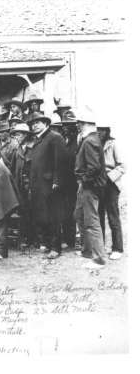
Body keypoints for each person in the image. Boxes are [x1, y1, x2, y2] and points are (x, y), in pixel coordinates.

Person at [28, 112, 67, 260]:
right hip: (39, 185)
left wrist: (57, 181)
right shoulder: (38, 139)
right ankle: (49, 244)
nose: (35, 125)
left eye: (38, 122)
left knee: (53, 217)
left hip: (51, 185)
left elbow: (60, 162)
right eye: (33, 123)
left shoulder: (54, 137)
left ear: (46, 123)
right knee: (44, 216)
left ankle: (56, 248)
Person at [74, 108, 108, 269]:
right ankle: (89, 252)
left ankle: (99, 259)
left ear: (85, 124)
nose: (78, 126)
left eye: (79, 123)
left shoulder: (89, 141)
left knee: (92, 221)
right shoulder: (92, 139)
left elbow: (94, 167)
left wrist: (83, 180)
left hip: (90, 187)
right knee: (81, 216)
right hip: (88, 186)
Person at [97, 121, 125, 260]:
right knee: (98, 215)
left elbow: (122, 166)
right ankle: (100, 247)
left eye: (102, 130)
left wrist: (110, 177)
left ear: (107, 131)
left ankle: (117, 248)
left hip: (110, 184)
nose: (99, 132)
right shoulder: (93, 143)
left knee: (113, 216)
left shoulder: (113, 144)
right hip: (97, 183)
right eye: (97, 129)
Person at [10, 123, 36, 251]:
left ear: (26, 135)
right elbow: (14, 169)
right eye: (15, 135)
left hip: (31, 187)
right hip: (20, 187)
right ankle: (25, 238)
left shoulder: (33, 149)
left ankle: (34, 239)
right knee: (23, 213)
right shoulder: (17, 150)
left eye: (19, 134)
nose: (17, 137)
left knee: (33, 213)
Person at [59, 113, 79, 251]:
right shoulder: (63, 140)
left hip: (75, 182)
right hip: (64, 182)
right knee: (65, 211)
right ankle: (68, 238)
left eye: (67, 125)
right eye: (63, 125)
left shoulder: (78, 141)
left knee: (75, 211)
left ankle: (76, 240)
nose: (65, 128)